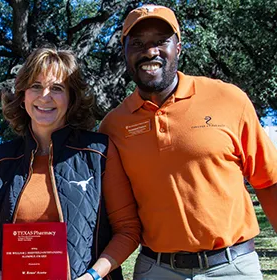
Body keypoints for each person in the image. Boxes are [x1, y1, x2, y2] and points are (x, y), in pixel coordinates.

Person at [99, 4, 277, 280]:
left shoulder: (228, 99)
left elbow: (269, 181)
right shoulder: (113, 126)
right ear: (124, 52)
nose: (150, 51)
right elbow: (121, 219)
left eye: (161, 42)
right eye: (137, 43)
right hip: (157, 270)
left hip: (233, 268)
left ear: (178, 48)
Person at [0, 47, 141, 280]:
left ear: (72, 98)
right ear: (22, 95)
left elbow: (127, 230)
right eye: (36, 86)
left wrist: (93, 275)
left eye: (57, 88)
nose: (45, 96)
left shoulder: (98, 152)